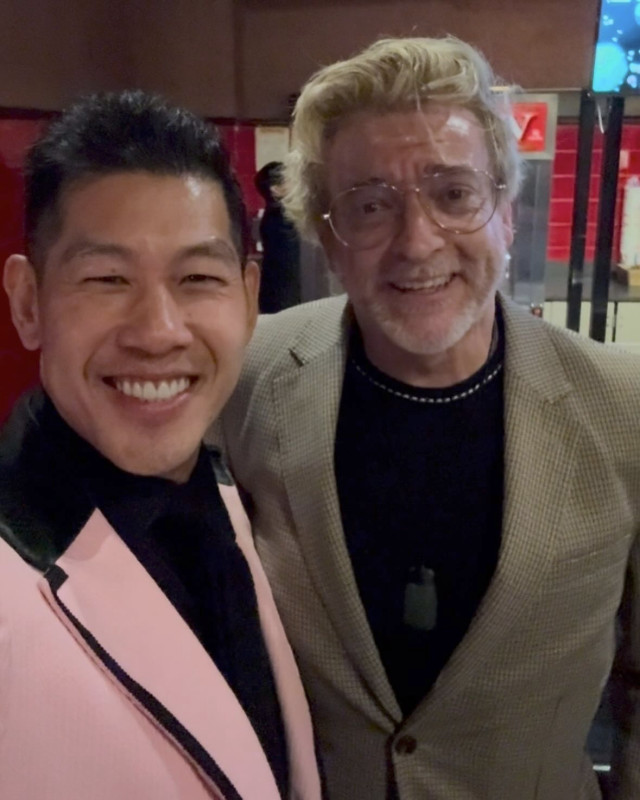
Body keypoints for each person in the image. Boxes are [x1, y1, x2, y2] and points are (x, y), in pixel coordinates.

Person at [214, 37, 640, 800]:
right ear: (327, 237)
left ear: (506, 213)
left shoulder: (625, 408)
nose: (417, 243)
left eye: (453, 194)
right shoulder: (247, 375)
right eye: (370, 205)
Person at [0, 90, 321, 800]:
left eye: (198, 278)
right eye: (107, 279)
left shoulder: (239, 505)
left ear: (246, 297)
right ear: (29, 303)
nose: (159, 329)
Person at [254, 161, 301, 313]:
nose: (295, 185)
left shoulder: (274, 216)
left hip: (277, 297)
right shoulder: (281, 221)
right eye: (289, 181)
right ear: (275, 190)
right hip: (284, 299)